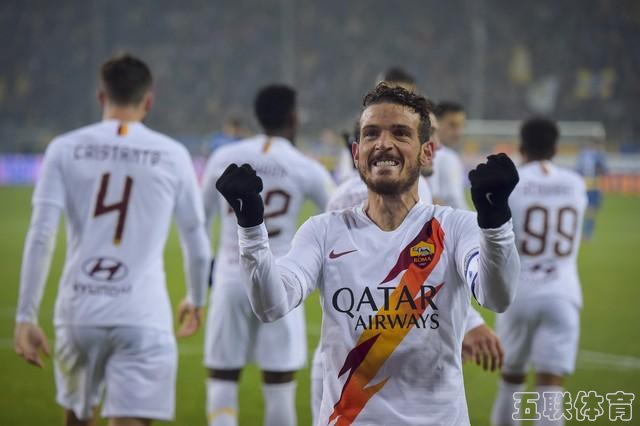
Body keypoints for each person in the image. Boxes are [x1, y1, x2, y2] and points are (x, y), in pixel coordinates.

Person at [216, 83, 520, 425]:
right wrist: (251, 228)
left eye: (400, 133)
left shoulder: (455, 227)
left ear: (427, 153)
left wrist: (496, 223)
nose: (383, 143)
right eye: (372, 133)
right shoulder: (323, 231)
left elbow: (497, 297)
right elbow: (271, 305)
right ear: (357, 152)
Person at [14, 54, 210, 426]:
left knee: (77, 417)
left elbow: (41, 234)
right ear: (148, 101)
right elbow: (196, 243)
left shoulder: (64, 148)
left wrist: (26, 316)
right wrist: (196, 300)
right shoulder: (172, 154)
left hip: (79, 310)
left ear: (101, 97)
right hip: (142, 313)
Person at [309, 106, 504, 424]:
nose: (437, 146)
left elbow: (436, 267)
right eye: (432, 134)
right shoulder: (400, 193)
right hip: (358, 369)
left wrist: (466, 320)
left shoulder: (411, 196)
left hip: (351, 364)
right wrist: (468, 321)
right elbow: (413, 272)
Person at [201, 84, 334, 426]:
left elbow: (200, 221)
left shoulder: (223, 157)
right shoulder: (304, 166)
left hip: (230, 276)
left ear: (257, 115)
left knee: (222, 376)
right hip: (280, 280)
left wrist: (202, 278)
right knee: (279, 384)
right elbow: (338, 213)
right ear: (293, 117)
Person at [490, 118, 587, 426]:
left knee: (511, 380)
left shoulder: (512, 183)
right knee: (551, 388)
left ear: (521, 147)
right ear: (556, 148)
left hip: (518, 292)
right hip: (563, 292)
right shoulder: (575, 183)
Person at [430, 101, 468, 209]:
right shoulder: (436, 156)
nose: (458, 132)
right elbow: (433, 199)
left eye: (462, 125)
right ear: (436, 122)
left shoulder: (450, 155)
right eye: (452, 125)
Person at [575, 140, 607, 240]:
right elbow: (604, 170)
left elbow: (577, 170)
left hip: (583, 186)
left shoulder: (582, 154)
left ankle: (580, 233)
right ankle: (587, 234)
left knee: (583, 211)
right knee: (592, 212)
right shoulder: (598, 155)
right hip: (593, 186)